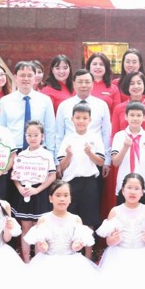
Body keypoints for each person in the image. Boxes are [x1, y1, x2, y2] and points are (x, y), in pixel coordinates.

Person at [24, 181, 102, 289]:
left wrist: (78, 245)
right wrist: (43, 246)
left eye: (66, 195)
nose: (62, 199)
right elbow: (41, 243)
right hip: (48, 260)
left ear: (70, 198)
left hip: (70, 259)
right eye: (58, 195)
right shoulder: (44, 219)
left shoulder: (76, 219)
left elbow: (77, 242)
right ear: (50, 198)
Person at [57, 103, 106, 258]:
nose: (81, 121)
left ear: (90, 120)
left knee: (89, 219)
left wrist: (90, 153)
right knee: (70, 218)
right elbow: (62, 167)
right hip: (70, 184)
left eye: (84, 118)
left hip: (89, 182)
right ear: (72, 119)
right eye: (78, 118)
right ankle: (69, 252)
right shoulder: (68, 138)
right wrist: (69, 156)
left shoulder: (94, 138)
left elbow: (100, 162)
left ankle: (88, 255)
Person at [12, 120, 57, 263]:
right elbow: (15, 177)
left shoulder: (47, 154)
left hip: (40, 194)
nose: (32, 138)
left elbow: (52, 175)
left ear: (42, 136)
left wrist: (37, 189)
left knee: (39, 230)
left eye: (36, 135)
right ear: (25, 137)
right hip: (24, 193)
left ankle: (38, 261)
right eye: (29, 135)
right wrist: (20, 189)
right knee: (25, 228)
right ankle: (26, 260)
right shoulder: (21, 155)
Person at [56, 69, 112, 173]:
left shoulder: (101, 105)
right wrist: (57, 162)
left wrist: (107, 160)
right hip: (70, 159)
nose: (84, 85)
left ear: (93, 84)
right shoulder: (64, 106)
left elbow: (106, 133)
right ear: (73, 83)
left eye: (87, 82)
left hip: (94, 158)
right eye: (80, 82)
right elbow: (59, 135)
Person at [0, 61, 56, 155]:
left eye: (29, 75)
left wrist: (51, 154)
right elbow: (1, 129)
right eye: (22, 75)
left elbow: (50, 130)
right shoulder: (5, 101)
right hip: (13, 151)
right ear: (15, 77)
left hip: (39, 151)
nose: (26, 78)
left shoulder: (45, 100)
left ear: (34, 78)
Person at [110, 102, 145, 205]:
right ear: (126, 117)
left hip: (143, 185)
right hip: (124, 184)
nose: (135, 118)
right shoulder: (119, 136)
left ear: (144, 117)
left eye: (138, 115)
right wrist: (125, 147)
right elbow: (115, 162)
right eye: (132, 115)